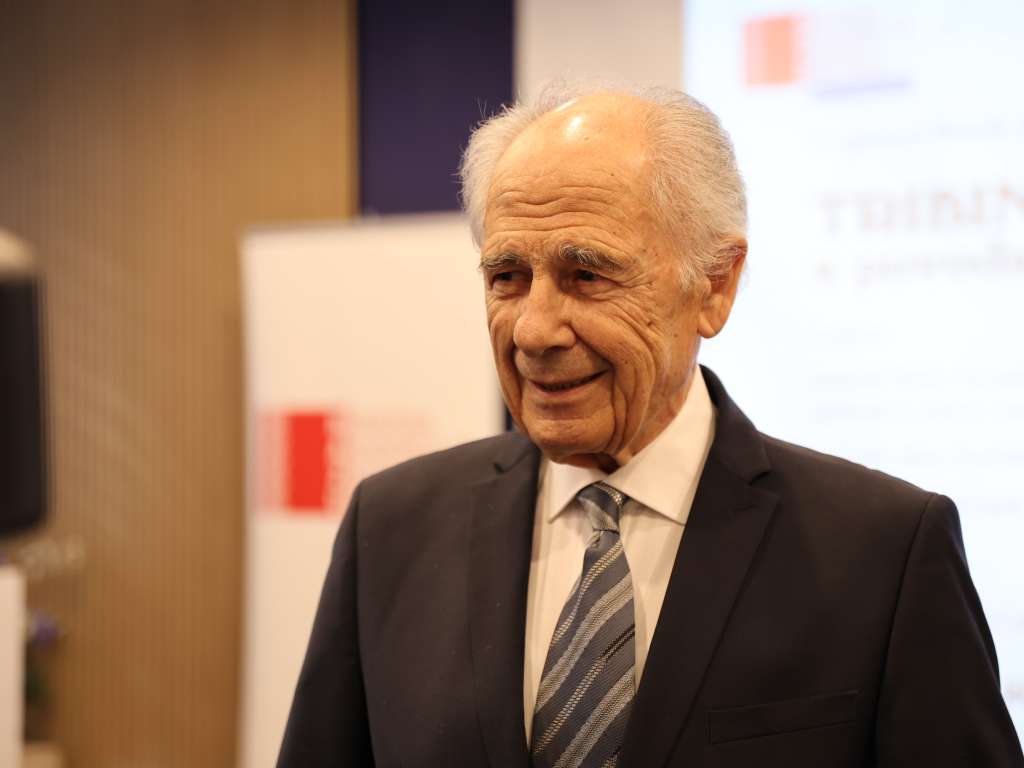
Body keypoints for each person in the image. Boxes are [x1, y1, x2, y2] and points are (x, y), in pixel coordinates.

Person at [277, 83, 1024, 767]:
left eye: (587, 275)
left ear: (715, 286)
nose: (534, 329)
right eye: (508, 277)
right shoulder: (393, 529)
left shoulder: (883, 552)